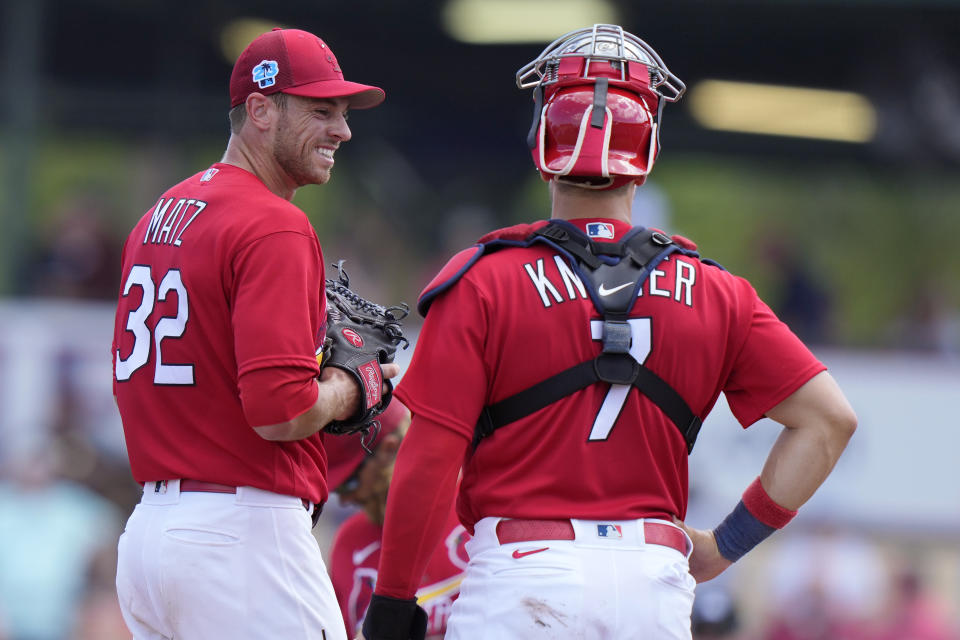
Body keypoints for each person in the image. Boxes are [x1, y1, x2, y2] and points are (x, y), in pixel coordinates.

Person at [359, 24, 857, 640]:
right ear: (645, 154)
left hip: (523, 577)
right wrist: (727, 544)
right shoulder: (720, 290)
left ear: (543, 139)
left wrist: (392, 602)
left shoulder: (484, 280)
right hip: (653, 585)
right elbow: (829, 421)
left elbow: (429, 458)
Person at [111, 27, 396, 640]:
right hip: (240, 538)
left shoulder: (160, 213)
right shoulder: (275, 224)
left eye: (343, 113)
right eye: (322, 111)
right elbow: (279, 413)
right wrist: (357, 385)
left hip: (150, 537)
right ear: (261, 109)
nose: (343, 130)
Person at [325, 400, 469, 639]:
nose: (347, 499)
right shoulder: (349, 543)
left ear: (389, 449)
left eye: (348, 483)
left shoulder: (476, 507)